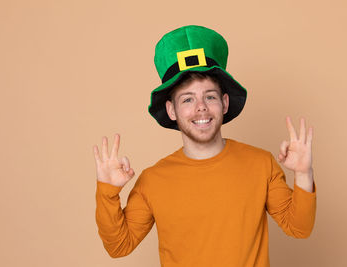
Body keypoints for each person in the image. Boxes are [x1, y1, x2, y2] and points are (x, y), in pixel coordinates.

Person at [93, 25, 316, 267]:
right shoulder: (153, 180)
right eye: (187, 99)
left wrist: (304, 174)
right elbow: (118, 246)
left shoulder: (261, 164)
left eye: (209, 96)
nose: (201, 107)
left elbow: (299, 228)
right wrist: (108, 192)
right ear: (171, 110)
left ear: (225, 103)